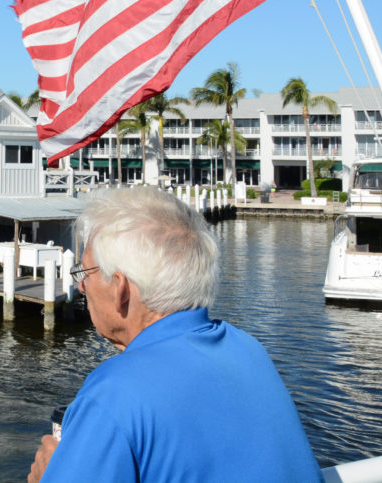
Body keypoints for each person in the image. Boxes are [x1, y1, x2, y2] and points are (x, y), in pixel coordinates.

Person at [28, 186, 321, 482]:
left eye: (85, 273)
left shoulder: (115, 391)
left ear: (120, 289)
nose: (82, 287)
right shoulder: (248, 349)